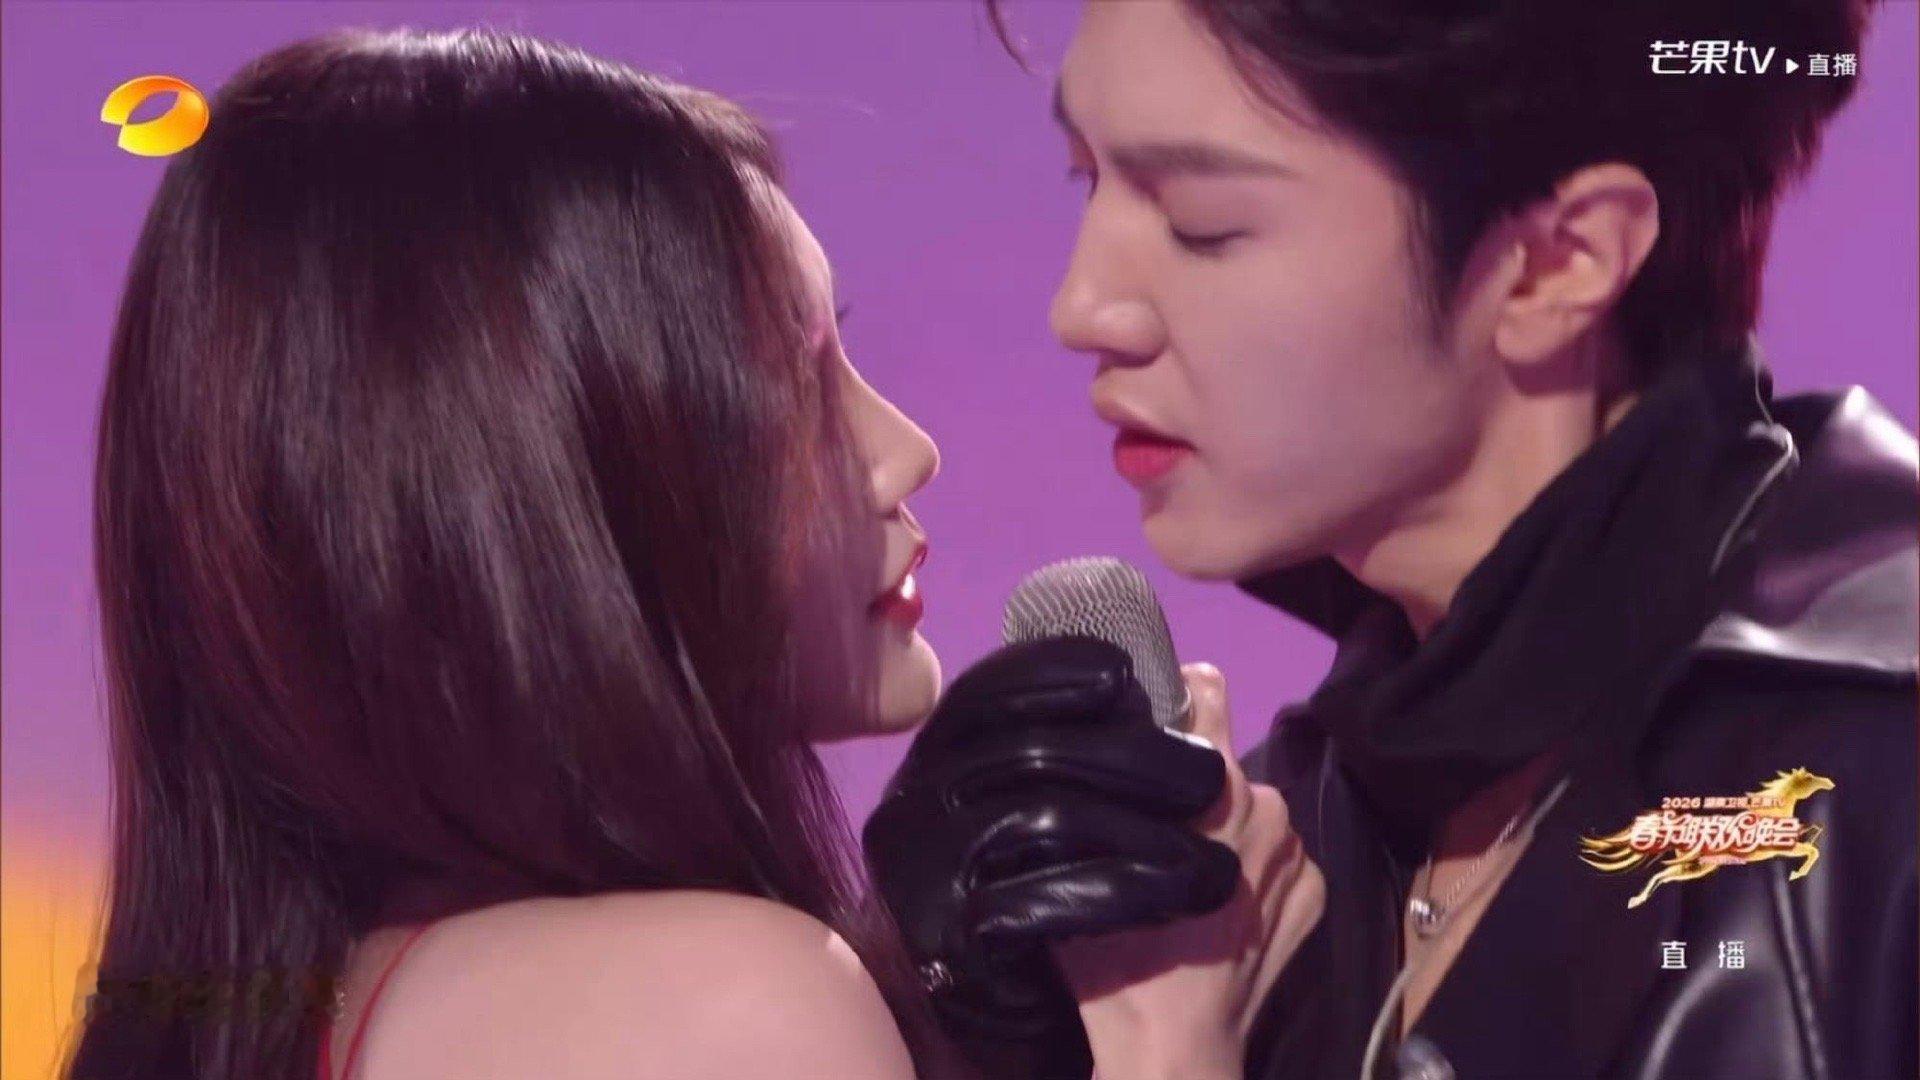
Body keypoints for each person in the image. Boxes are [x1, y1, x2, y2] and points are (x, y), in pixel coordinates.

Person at [866, 1, 1917, 1077]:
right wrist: (979, 1034)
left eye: (1199, 220)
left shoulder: (1883, 789)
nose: (1083, 307)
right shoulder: (1243, 879)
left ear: (1557, 261)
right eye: (1087, 178)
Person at [67, 27, 967, 1080]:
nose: (908, 451)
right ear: (529, 485)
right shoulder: (713, 1005)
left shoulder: (303, 1012)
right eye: (790, 385)